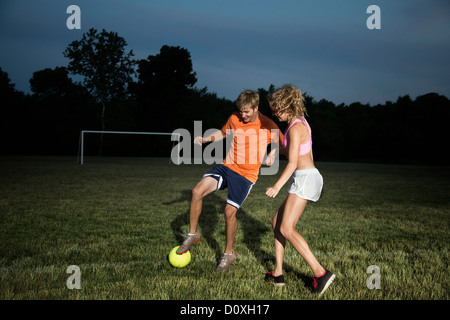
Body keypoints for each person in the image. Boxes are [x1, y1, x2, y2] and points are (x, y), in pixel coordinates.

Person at [177, 90, 283, 272]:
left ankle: (229, 253)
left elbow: (283, 143)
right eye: (240, 111)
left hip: (245, 176)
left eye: (247, 112)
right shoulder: (235, 118)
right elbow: (223, 133)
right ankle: (192, 234)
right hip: (227, 166)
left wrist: (273, 152)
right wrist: (206, 140)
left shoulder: (268, 124)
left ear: (256, 108)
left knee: (228, 212)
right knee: (196, 191)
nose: (243, 115)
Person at [264, 85, 335, 295]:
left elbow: (294, 162)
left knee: (287, 228)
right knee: (277, 223)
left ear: (287, 105)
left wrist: (277, 185)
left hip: (305, 178)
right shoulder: (298, 122)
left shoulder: (296, 127)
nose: (275, 113)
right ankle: (278, 273)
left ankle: (321, 273)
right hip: (305, 177)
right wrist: (275, 152)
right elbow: (291, 151)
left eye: (277, 109)